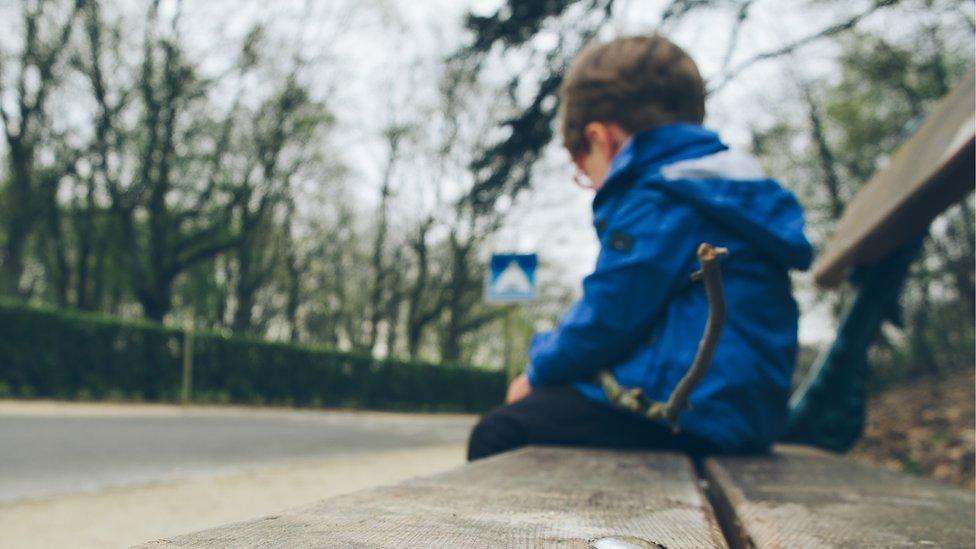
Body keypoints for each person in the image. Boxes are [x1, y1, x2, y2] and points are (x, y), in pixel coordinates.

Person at [467, 35, 813, 461]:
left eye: (583, 167)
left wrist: (535, 371)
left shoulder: (660, 195)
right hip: (741, 415)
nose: (591, 183)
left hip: (687, 413)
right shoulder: (722, 188)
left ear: (600, 138)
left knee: (501, 432)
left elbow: (608, 317)